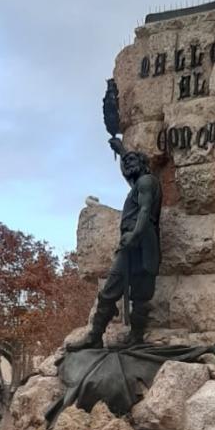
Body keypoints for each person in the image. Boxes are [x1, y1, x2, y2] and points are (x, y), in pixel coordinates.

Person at [68, 149, 161, 349]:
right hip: (137, 243)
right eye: (124, 161)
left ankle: (126, 336)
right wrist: (120, 150)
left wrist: (134, 235)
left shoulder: (146, 181)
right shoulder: (140, 183)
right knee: (120, 290)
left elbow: (145, 210)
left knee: (129, 292)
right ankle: (98, 336)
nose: (127, 163)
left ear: (142, 162)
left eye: (131, 160)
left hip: (138, 242)